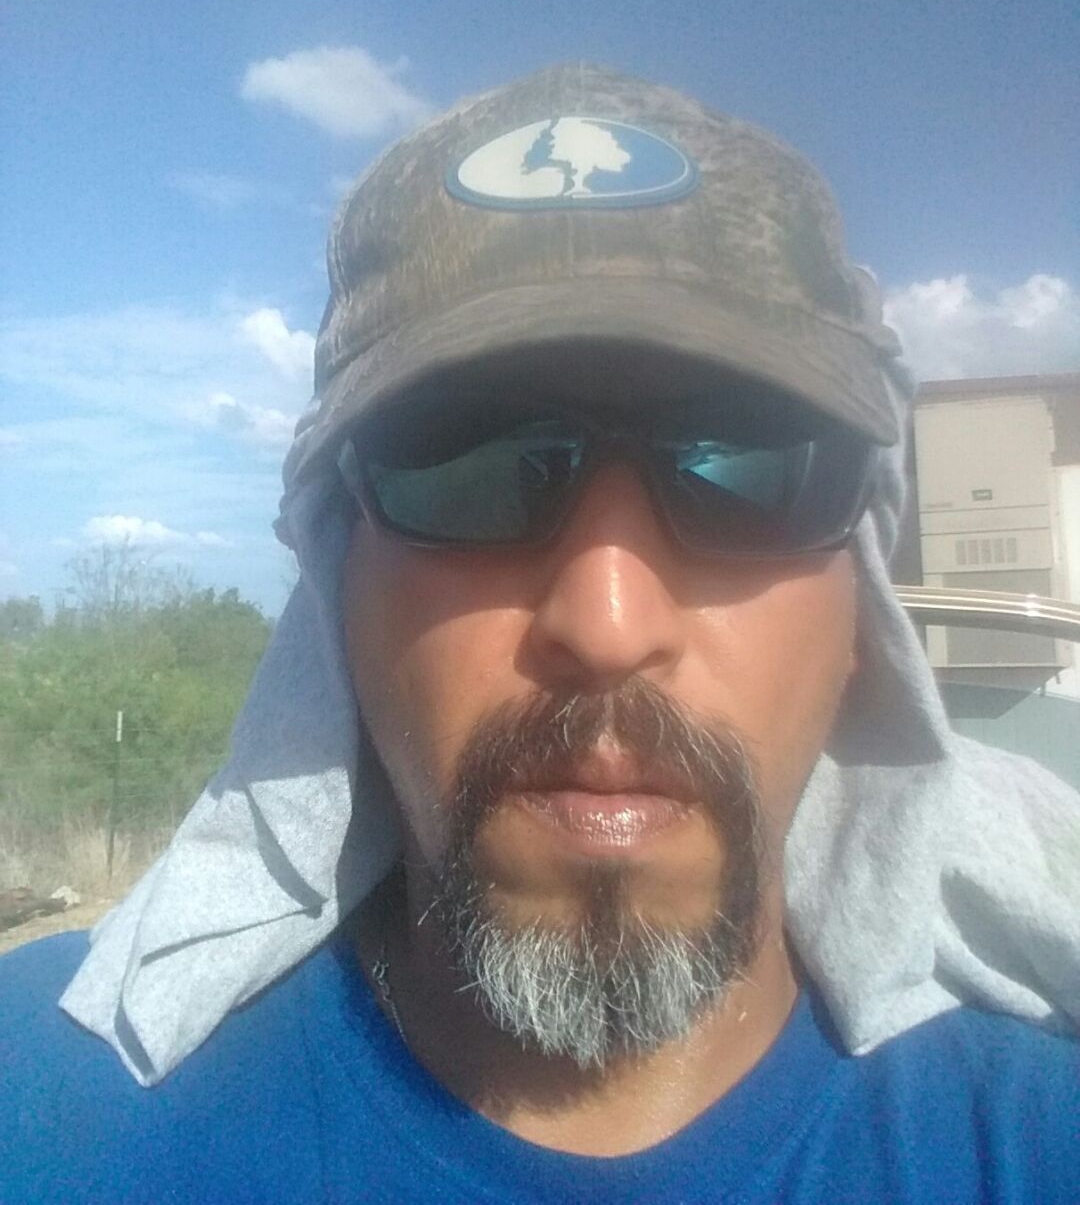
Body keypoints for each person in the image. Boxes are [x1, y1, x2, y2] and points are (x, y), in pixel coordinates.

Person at [2, 64, 1078, 1203]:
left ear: (862, 611)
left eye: (753, 465)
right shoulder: (56, 1120)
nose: (608, 625)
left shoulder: (1034, 1140)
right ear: (336, 593)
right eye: (468, 464)